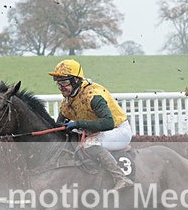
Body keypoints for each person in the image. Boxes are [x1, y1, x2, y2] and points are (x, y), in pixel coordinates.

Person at [49, 59, 133, 190]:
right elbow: (58, 125)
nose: (61, 87)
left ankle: (121, 178)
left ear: (76, 80)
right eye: (58, 83)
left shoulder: (93, 95)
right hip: (96, 132)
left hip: (118, 131)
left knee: (90, 144)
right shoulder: (67, 101)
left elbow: (108, 123)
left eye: (64, 82)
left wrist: (78, 123)